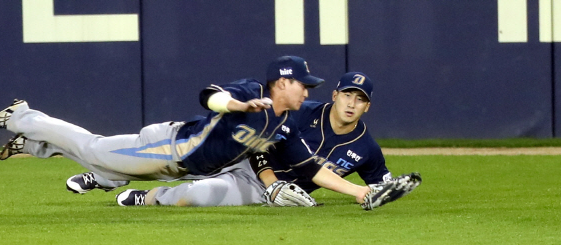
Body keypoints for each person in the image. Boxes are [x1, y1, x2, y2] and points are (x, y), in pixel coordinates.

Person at [0, 56, 382, 205]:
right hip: (168, 148)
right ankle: (24, 117)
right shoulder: (253, 92)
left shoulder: (285, 123)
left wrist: (362, 191)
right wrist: (234, 105)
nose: (307, 90)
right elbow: (208, 93)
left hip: (189, 168)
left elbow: (309, 168)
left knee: (103, 168)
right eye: (303, 84)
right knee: (93, 150)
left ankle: (36, 146)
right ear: (282, 84)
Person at [68, 72, 398, 207]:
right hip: (248, 162)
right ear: (336, 94)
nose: (351, 104)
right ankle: (104, 175)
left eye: (360, 99)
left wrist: (381, 191)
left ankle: (147, 198)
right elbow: (258, 143)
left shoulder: (366, 148)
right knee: (172, 160)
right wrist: (270, 181)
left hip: (259, 190)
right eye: (348, 95)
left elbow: (382, 182)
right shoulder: (301, 112)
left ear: (368, 106)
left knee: (198, 195)